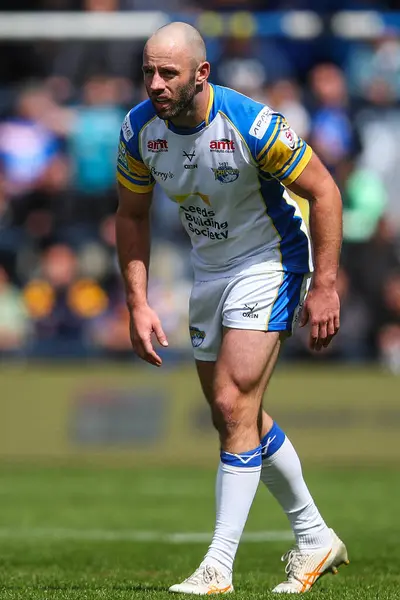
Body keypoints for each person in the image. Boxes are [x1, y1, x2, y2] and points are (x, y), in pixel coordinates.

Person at [115, 21, 348, 595]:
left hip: (270, 260)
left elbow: (325, 192)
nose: (156, 84)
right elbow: (131, 216)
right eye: (149, 70)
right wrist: (138, 302)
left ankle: (218, 565)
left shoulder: (252, 123)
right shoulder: (138, 131)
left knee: (231, 399)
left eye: (168, 73)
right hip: (208, 271)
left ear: (202, 73)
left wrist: (325, 285)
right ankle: (315, 537)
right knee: (234, 416)